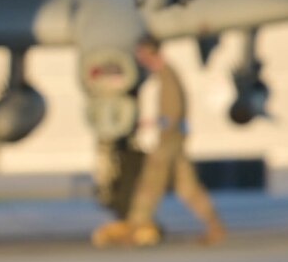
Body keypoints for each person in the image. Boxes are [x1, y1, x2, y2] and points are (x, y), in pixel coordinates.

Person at [93, 37, 225, 247]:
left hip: (168, 140)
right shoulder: (166, 74)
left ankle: (135, 227)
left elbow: (171, 112)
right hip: (174, 139)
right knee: (187, 187)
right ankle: (214, 225)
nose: (140, 58)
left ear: (151, 53)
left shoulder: (166, 75)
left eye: (142, 53)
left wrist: (152, 124)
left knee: (149, 184)